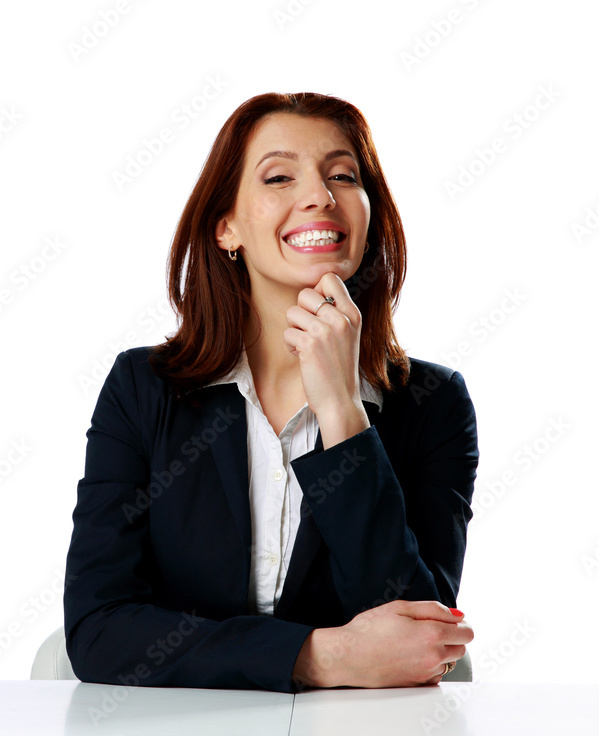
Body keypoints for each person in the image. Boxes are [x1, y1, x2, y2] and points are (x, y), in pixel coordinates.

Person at [63, 91, 478, 693]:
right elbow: (100, 630)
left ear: (369, 218)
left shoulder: (434, 403)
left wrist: (343, 411)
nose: (321, 196)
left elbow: (417, 639)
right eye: (280, 177)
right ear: (226, 227)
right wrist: (319, 656)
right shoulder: (143, 389)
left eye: (343, 175)